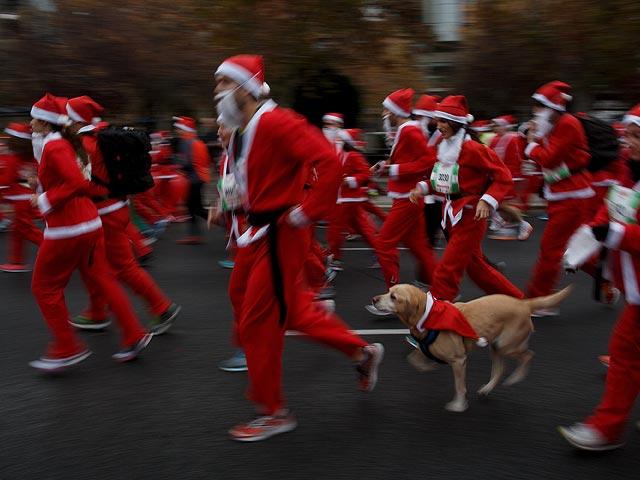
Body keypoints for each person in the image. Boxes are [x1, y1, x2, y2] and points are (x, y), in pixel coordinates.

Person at [214, 54, 384, 442]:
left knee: (258, 320)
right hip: (255, 233)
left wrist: (306, 213)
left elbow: (329, 162)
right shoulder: (244, 127)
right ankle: (363, 354)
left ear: (244, 87)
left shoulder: (277, 120)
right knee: (273, 306)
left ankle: (274, 411)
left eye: (223, 83)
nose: (217, 92)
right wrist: (231, 205)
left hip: (279, 234)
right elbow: (250, 178)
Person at [27, 93, 152, 372]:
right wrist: (42, 185)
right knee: (104, 279)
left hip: (67, 229)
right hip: (89, 225)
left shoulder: (54, 146)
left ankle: (66, 347)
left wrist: (44, 199)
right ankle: (134, 334)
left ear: (46, 123)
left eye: (33, 117)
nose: (30, 123)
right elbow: (75, 178)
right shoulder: (64, 143)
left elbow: (75, 184)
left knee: (43, 287)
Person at [558, 106, 640, 451]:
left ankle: (606, 429)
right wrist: (588, 237)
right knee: (624, 352)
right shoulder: (629, 171)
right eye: (629, 134)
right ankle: (606, 427)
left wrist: (613, 232)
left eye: (636, 136)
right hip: (636, 287)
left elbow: (619, 225)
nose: (627, 142)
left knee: (624, 352)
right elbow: (613, 207)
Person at [65, 96, 181, 334]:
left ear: (74, 119)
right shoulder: (98, 135)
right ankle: (97, 311)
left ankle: (162, 308)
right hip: (114, 207)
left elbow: (83, 184)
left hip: (104, 212)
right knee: (94, 265)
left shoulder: (85, 145)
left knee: (122, 267)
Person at [409, 95, 524, 302]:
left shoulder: (473, 149)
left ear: (456, 123)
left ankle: (436, 312)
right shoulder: (445, 147)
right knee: (478, 269)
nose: (439, 126)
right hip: (451, 213)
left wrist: (486, 200)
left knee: (447, 269)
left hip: (471, 216)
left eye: (443, 121)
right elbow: (442, 180)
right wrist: (422, 187)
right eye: (438, 120)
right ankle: (517, 302)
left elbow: (503, 177)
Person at [523, 81, 594, 316]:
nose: (537, 112)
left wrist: (532, 144)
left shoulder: (568, 124)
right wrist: (535, 139)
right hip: (563, 194)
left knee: (551, 249)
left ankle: (540, 300)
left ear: (553, 108)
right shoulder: (555, 126)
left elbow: (550, 159)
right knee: (573, 250)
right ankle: (609, 274)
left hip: (572, 196)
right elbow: (546, 160)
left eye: (540, 107)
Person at [366, 88, 438, 313]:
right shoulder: (405, 131)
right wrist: (384, 168)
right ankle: (443, 290)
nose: (383, 114)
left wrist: (394, 169)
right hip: (406, 197)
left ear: (395, 111)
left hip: (407, 198)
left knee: (384, 245)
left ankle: (393, 298)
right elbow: (408, 160)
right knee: (420, 248)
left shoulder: (410, 131)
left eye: (386, 109)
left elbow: (429, 161)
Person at [326, 128, 379, 270]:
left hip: (348, 199)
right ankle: (381, 252)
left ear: (345, 142)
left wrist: (349, 180)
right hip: (347, 198)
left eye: (339, 139)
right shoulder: (342, 154)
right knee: (363, 228)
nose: (336, 141)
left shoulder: (353, 155)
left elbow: (365, 174)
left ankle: (335, 257)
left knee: (335, 227)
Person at [0, 123, 43, 272]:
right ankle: (16, 262)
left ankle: (52, 248)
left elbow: (6, 179)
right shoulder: (31, 158)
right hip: (28, 196)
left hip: (17, 199)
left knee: (25, 230)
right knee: (18, 231)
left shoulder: (12, 158)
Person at [487, 115, 533, 241]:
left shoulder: (512, 139)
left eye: (497, 125)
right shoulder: (494, 139)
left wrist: (517, 176)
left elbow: (518, 159)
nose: (495, 128)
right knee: (500, 204)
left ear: (504, 127)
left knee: (500, 204)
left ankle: (522, 224)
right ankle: (508, 227)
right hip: (499, 175)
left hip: (510, 176)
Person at [173, 116, 212, 244]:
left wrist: (177, 165)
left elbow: (186, 162)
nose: (176, 131)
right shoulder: (196, 140)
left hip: (193, 178)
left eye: (178, 128)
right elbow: (206, 160)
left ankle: (224, 223)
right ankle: (195, 235)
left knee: (196, 208)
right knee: (193, 207)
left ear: (183, 129)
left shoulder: (185, 142)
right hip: (200, 177)